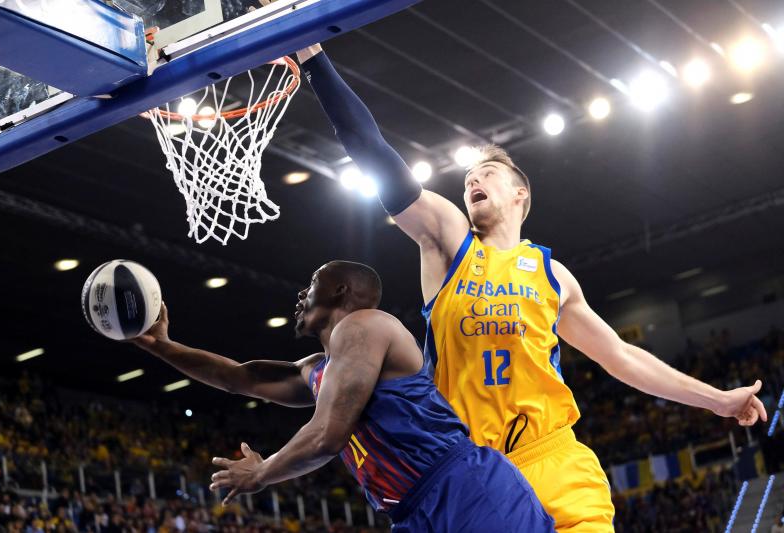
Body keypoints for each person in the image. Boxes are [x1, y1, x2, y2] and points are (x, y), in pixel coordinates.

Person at [294, 42, 769, 531]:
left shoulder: (552, 276)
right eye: (467, 180)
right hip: (473, 472)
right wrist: (314, 59)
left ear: (521, 194)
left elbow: (621, 357)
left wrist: (716, 399)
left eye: (488, 174)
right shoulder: (447, 245)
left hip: (554, 460)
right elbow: (372, 150)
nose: (472, 181)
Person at [132, 261, 554, 532]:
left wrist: (262, 473)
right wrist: (162, 346)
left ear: (340, 291)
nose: (301, 294)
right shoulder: (318, 368)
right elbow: (238, 378)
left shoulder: (367, 325)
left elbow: (327, 436)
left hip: (463, 488)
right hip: (410, 512)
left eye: (313, 282)